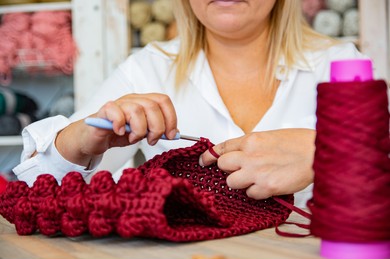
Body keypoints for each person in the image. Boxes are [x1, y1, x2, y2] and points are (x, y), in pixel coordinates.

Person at [13, 0, 367, 207]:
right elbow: (37, 198)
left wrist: (330, 154)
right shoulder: (147, 68)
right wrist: (78, 140)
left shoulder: (341, 64)